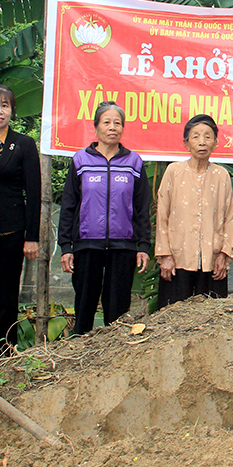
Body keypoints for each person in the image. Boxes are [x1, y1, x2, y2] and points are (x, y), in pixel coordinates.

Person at [58, 102, 151, 333]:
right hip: (87, 244)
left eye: (117, 123)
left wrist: (143, 245)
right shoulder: (80, 161)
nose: (112, 127)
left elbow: (141, 208)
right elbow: (69, 205)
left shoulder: (134, 163)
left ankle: (116, 356)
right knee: (84, 305)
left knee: (117, 311)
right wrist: (66, 247)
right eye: (107, 122)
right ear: (96, 127)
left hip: (123, 247)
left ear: (123, 128)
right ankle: (79, 352)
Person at [0, 84, 41, 363]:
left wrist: (31, 236)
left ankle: (5, 356)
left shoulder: (23, 144)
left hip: (11, 230)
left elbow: (34, 192)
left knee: (6, 296)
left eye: (5, 106)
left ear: (13, 111)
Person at [154, 114, 233, 307]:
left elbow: (229, 218)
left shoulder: (221, 175)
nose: (202, 142)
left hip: (212, 260)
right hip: (177, 260)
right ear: (186, 142)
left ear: (215, 143)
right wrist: (165, 255)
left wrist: (224, 254)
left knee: (210, 319)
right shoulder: (174, 172)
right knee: (173, 318)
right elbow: (162, 216)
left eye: (208, 137)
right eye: (196, 136)